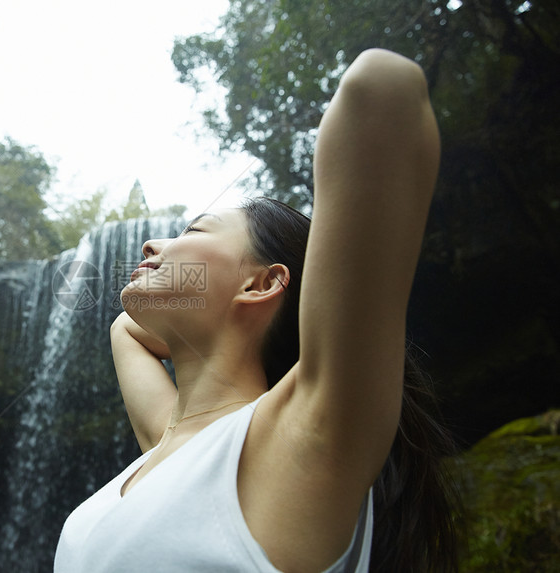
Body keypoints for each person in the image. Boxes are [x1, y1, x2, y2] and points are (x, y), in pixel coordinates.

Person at [54, 48, 459, 572]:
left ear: (262, 283)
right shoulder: (168, 444)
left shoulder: (300, 436)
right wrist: (182, 315)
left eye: (192, 230)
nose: (152, 244)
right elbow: (125, 329)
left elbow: (384, 85)